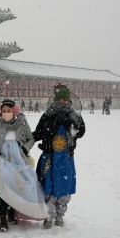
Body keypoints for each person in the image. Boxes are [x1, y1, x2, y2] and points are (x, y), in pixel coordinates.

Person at [0, 99, 48, 232]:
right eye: (4, 111)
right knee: (3, 188)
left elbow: (31, 138)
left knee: (19, 187)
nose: (6, 113)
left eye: (9, 111)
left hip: (18, 160)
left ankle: (12, 212)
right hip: (2, 159)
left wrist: (25, 149)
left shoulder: (22, 122)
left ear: (14, 111)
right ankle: (3, 219)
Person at [33, 83, 86, 229]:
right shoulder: (47, 115)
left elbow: (80, 133)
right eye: (59, 100)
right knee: (48, 187)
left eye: (64, 101)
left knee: (63, 187)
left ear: (69, 101)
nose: (61, 103)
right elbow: (38, 134)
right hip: (49, 157)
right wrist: (23, 139)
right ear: (54, 100)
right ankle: (48, 215)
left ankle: (60, 215)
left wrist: (69, 122)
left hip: (66, 158)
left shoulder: (75, 116)